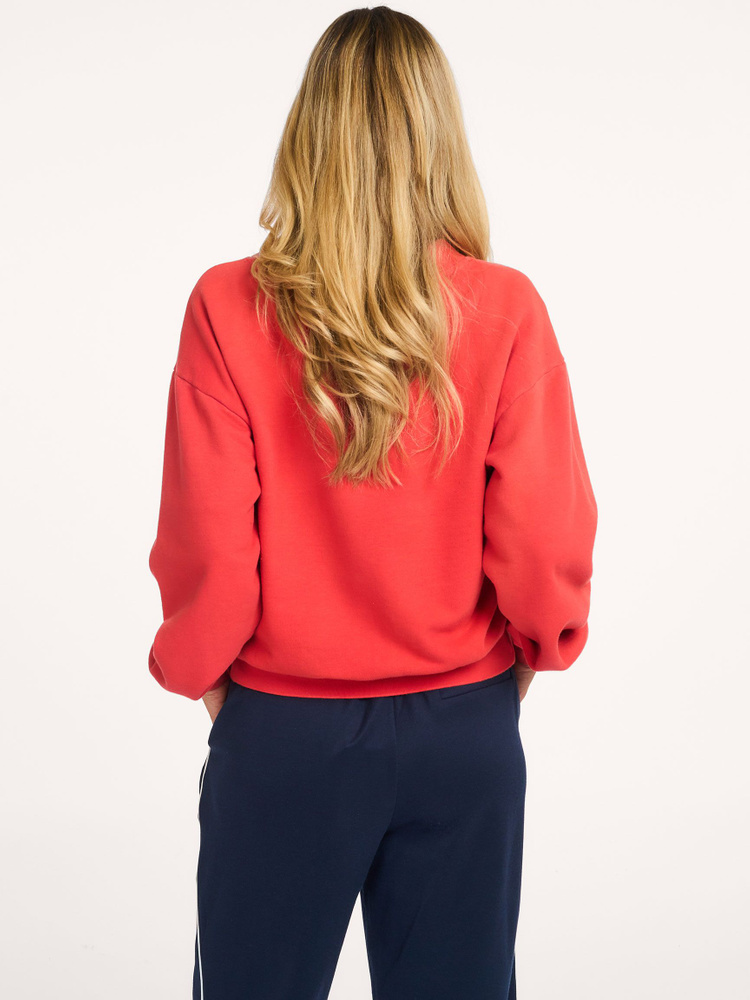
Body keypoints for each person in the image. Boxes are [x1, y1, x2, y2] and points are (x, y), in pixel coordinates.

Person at [146, 7, 598, 999]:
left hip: (284, 726)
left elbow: (207, 543)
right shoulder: (505, 308)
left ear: (310, 132)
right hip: (463, 725)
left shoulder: (228, 305)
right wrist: (523, 659)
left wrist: (212, 674)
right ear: (439, 137)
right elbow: (544, 535)